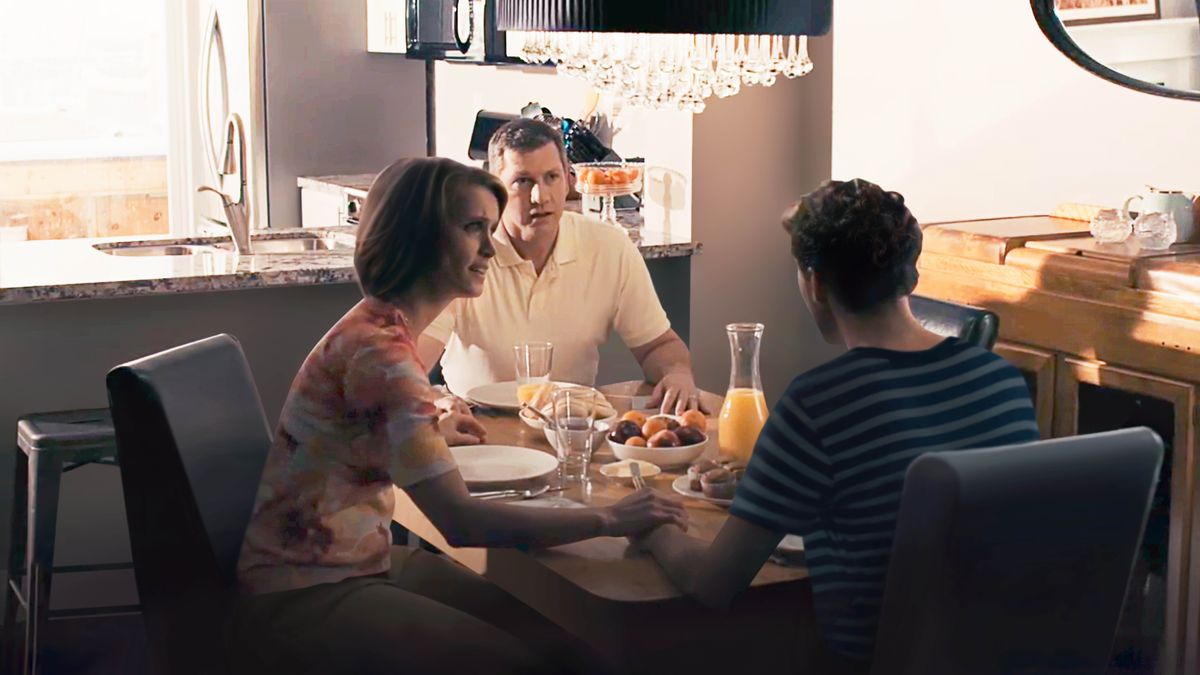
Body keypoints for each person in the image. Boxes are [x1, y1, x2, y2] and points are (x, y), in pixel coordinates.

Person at [230, 157, 688, 675]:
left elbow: (375, 434)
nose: (491, 249)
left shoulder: (379, 331)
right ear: (421, 236)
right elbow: (461, 521)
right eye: (474, 229)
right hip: (306, 593)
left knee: (559, 635)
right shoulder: (384, 359)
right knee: (528, 662)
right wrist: (609, 519)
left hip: (354, 563)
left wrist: (429, 429)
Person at [631, 179, 1040, 673]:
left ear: (815, 283)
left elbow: (715, 584)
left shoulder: (819, 403)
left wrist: (654, 530)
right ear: (910, 276)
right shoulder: (1001, 381)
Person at [417, 118, 706, 415]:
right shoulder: (463, 252)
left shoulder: (609, 247)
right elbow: (409, 363)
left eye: (551, 177)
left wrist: (677, 374)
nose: (540, 196)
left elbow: (659, 346)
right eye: (523, 181)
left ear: (569, 181)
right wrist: (437, 399)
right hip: (477, 424)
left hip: (571, 424)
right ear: (495, 188)